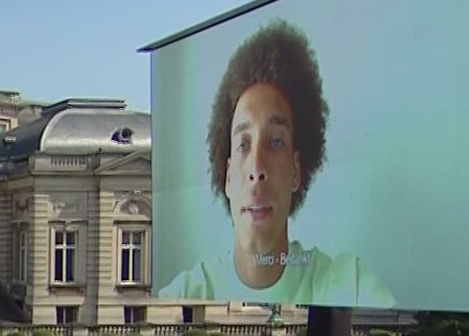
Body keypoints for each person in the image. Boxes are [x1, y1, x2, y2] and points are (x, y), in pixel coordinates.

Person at [161, 19, 396, 306]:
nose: (257, 169)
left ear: (296, 171)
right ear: (227, 176)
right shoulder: (183, 296)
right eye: (243, 144)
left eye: (275, 142)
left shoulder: (350, 287)